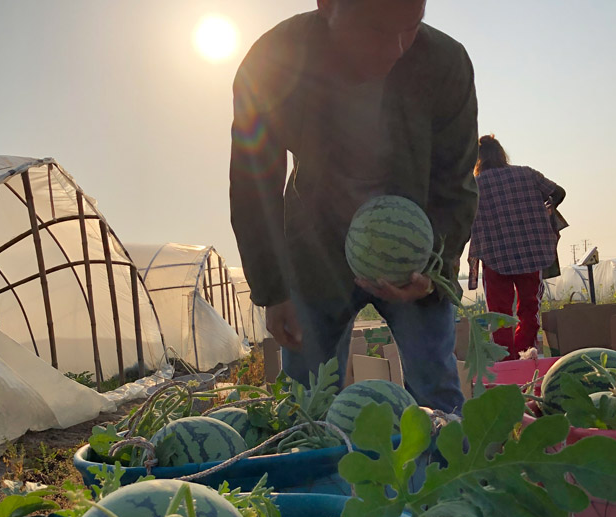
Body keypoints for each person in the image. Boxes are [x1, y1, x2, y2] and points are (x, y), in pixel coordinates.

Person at [229, 0, 478, 414]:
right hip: (316, 247)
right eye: (379, 32)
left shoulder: (445, 63)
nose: (399, 48)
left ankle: (443, 478)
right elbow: (255, 182)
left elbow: (455, 182)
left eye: (412, 27)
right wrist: (273, 289)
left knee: (436, 395)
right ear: (327, 7)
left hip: (412, 250)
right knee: (307, 404)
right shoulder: (273, 63)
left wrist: (435, 269)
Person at [468, 134, 566, 360]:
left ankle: (506, 362)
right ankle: (525, 355)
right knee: (529, 310)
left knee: (499, 313)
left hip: (495, 257)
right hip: (531, 253)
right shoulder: (527, 174)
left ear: (478, 160)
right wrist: (547, 207)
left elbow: (463, 216)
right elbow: (558, 191)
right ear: (502, 154)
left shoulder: (475, 185)